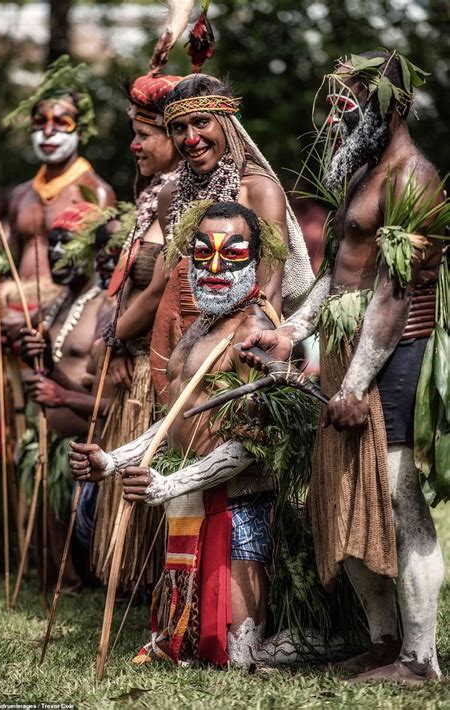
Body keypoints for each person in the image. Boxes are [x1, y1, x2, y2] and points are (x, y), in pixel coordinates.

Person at [240, 50, 446, 685]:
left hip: (396, 354)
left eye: (355, 98)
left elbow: (393, 293)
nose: (341, 112)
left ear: (396, 105)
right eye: (338, 99)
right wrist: (294, 330)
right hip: (346, 356)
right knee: (345, 494)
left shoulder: (412, 177)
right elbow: (342, 271)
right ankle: (383, 643)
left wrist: (356, 383)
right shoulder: (363, 173)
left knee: (396, 495)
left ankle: (420, 658)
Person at [69, 201, 298, 665]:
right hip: (192, 500)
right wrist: (111, 461)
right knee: (183, 644)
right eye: (201, 253)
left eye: (231, 255)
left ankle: (318, 640)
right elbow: (176, 419)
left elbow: (254, 444)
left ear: (256, 259)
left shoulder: (256, 330)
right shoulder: (200, 328)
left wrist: (169, 483)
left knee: (238, 656)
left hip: (239, 507)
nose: (213, 268)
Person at [149, 73, 314, 400]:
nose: (191, 138)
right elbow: (173, 277)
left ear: (226, 123)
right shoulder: (170, 195)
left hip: (237, 342)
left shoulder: (258, 189)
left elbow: (269, 289)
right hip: (178, 337)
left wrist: (251, 350)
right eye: (179, 129)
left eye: (201, 123)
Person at [90, 72, 183, 594]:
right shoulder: (155, 193)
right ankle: (135, 580)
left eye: (145, 133)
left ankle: (154, 581)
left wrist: (115, 337)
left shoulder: (177, 197)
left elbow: (162, 286)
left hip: (154, 359)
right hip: (132, 354)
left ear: (174, 136)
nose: (134, 143)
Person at [16, 202, 113, 587]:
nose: (55, 253)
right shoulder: (57, 305)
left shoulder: (104, 307)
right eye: (51, 243)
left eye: (66, 243)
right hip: (52, 441)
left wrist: (60, 393)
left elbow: (108, 400)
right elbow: (54, 368)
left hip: (86, 444)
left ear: (91, 250)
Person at [2, 55, 115, 320]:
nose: (48, 132)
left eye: (61, 122)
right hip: (14, 313)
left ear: (81, 130)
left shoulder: (95, 193)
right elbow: (6, 264)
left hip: (65, 317)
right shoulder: (21, 195)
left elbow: (103, 272)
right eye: (40, 122)